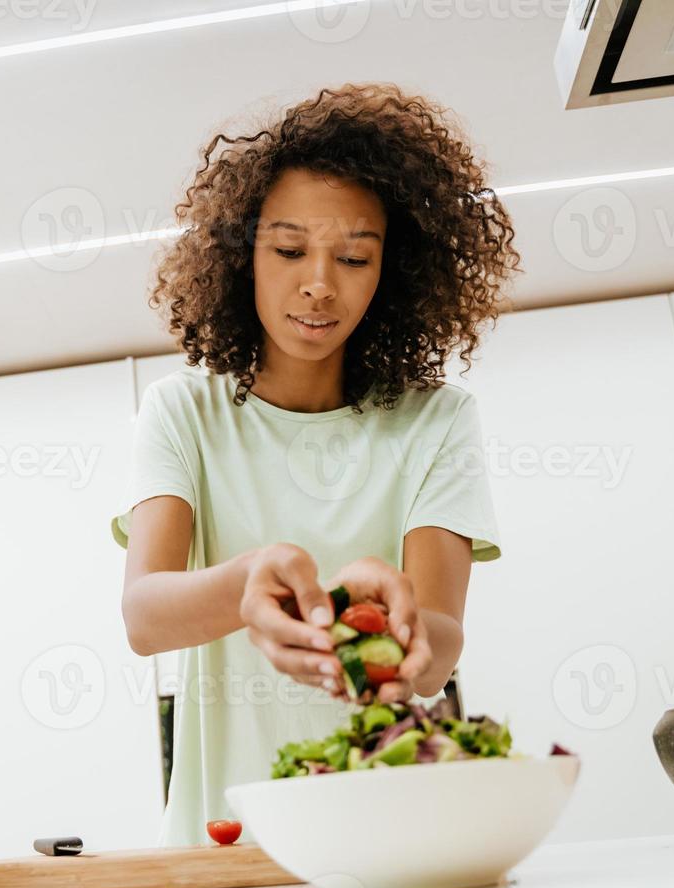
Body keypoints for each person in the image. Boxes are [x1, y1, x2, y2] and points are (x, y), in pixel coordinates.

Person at [113, 83, 522, 847]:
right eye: (290, 249)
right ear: (243, 256)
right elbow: (144, 618)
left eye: (355, 257)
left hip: (390, 831)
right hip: (223, 840)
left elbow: (439, 649)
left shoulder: (435, 421)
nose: (319, 284)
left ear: (390, 273)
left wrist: (404, 638)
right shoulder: (182, 413)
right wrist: (247, 581)